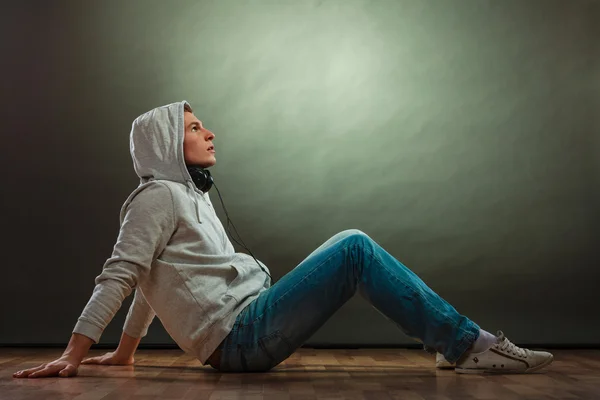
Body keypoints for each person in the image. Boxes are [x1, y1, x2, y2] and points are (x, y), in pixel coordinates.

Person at [13, 101, 553, 379]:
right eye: (196, 127)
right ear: (164, 143)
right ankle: (468, 346)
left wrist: (127, 353)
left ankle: (448, 339)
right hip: (241, 338)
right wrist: (74, 353)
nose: (210, 132)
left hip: (250, 322)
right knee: (355, 246)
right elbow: (123, 274)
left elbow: (151, 282)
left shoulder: (188, 196)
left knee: (352, 243)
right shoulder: (156, 197)